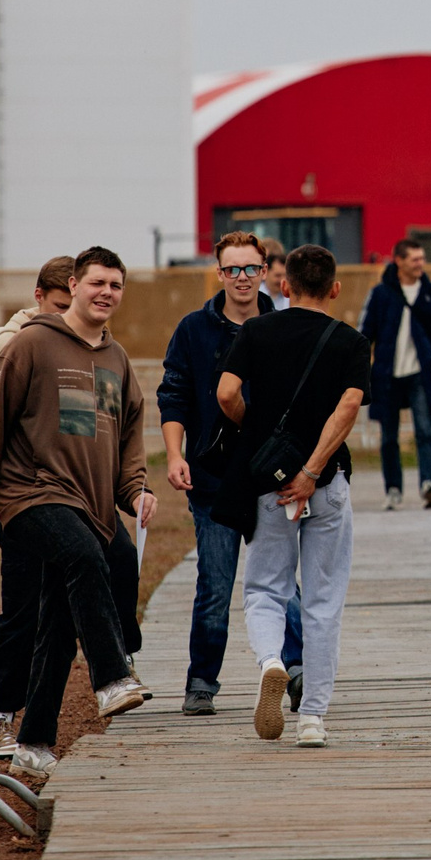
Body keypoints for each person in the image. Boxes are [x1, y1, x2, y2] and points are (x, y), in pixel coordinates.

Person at [0, 245, 155, 774]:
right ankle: (112, 677)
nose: (106, 292)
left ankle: (35, 743)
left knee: (62, 622)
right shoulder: (32, 344)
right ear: (74, 285)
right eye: (97, 283)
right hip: (31, 494)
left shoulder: (117, 359)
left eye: (115, 285)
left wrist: (136, 492)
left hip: (91, 504)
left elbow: (128, 436)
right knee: (84, 557)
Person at [215, 244, 367, 748]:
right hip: (328, 483)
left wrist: (259, 433)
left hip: (270, 483)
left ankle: (271, 662)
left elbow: (226, 394)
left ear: (283, 286)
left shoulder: (255, 331)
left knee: (265, 589)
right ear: (335, 289)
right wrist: (312, 470)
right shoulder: (351, 341)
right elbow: (348, 408)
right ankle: (313, 719)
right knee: (324, 600)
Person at [159, 231, 304, 716]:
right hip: (213, 475)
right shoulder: (193, 329)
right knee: (215, 583)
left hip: (270, 475)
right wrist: (174, 454)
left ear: (265, 271)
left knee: (281, 580)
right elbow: (174, 395)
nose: (242, 278)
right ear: (219, 273)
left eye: (251, 268)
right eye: (232, 269)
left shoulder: (284, 327)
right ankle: (202, 681)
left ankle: (296, 669)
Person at [0, 256, 76, 757]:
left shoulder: (74, 343)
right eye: (59, 305)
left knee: (56, 613)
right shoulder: (12, 345)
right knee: (22, 610)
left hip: (68, 495)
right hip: (23, 496)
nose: (65, 316)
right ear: (38, 297)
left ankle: (35, 729)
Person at [359, 237, 431, 510]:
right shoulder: (381, 294)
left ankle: (428, 484)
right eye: (415, 259)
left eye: (422, 259)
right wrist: (359, 370)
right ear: (399, 261)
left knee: (424, 430)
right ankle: (393, 489)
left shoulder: (430, 293)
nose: (420, 264)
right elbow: (366, 334)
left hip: (419, 374)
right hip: (387, 375)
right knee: (389, 437)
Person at [257, 237, 291, 311]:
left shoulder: (293, 296)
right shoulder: (255, 294)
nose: (282, 280)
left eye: (285, 275)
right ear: (266, 271)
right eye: (277, 275)